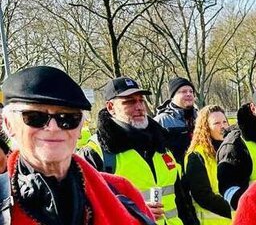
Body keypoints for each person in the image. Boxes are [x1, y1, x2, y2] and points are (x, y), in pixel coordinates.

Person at [1, 65, 154, 224]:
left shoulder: (122, 192)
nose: (53, 127)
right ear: (9, 124)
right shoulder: (2, 199)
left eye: (67, 118)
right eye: (35, 117)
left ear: (80, 127)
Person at [80, 76, 199, 225]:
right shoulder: (95, 152)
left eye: (141, 100)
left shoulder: (162, 143)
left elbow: (182, 200)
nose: (139, 107)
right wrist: (131, 211)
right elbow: (84, 211)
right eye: (129, 101)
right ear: (111, 107)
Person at [184, 105, 231, 224]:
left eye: (224, 122)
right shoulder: (196, 155)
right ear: (205, 128)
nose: (223, 126)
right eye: (217, 123)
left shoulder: (230, 150)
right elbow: (203, 196)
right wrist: (236, 208)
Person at [156, 77, 198, 164]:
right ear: (173, 96)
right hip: (175, 173)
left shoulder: (200, 118)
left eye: (191, 91)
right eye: (184, 91)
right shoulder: (161, 121)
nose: (189, 94)